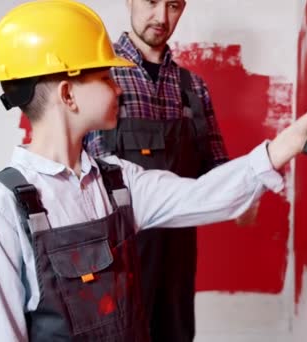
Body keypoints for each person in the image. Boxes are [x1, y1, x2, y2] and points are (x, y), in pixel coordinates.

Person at [0, 0, 307, 341]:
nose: (118, 89)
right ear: (68, 95)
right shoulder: (0, 206)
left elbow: (202, 194)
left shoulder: (117, 181)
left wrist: (286, 144)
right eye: (106, 79)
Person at [82, 1, 239, 339]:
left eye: (174, 6)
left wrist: (263, 171)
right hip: (114, 261)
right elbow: (77, 177)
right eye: (151, 2)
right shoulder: (97, 76)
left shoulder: (193, 89)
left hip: (176, 261)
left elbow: (218, 172)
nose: (162, 18)